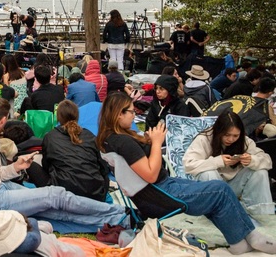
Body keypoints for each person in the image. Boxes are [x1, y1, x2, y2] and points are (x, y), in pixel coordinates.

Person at [96, 92, 276, 255]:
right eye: (130, 111)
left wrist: (148, 141)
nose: (134, 113)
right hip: (160, 194)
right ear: (119, 114)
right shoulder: (123, 142)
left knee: (213, 192)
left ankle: (239, 242)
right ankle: (252, 237)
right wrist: (157, 143)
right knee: (220, 190)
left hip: (154, 191)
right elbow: (150, 174)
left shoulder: (110, 139)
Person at [0, 97, 125, 235]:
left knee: (52, 209)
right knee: (55, 195)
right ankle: (118, 213)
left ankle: (116, 219)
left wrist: (16, 167)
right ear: (4, 120)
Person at [183, 110, 273, 215]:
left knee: (260, 172)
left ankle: (262, 215)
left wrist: (252, 160)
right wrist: (217, 161)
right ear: (219, 131)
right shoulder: (204, 139)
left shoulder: (244, 141)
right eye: (226, 135)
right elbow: (188, 165)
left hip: (233, 186)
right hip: (210, 189)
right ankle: (216, 214)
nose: (231, 139)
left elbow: (267, 161)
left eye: (235, 136)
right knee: (208, 173)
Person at [38, 100, 109, 201]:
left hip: (63, 193)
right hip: (95, 192)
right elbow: (102, 166)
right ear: (77, 116)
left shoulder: (50, 137)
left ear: (58, 117)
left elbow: (46, 165)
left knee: (32, 165)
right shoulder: (89, 135)